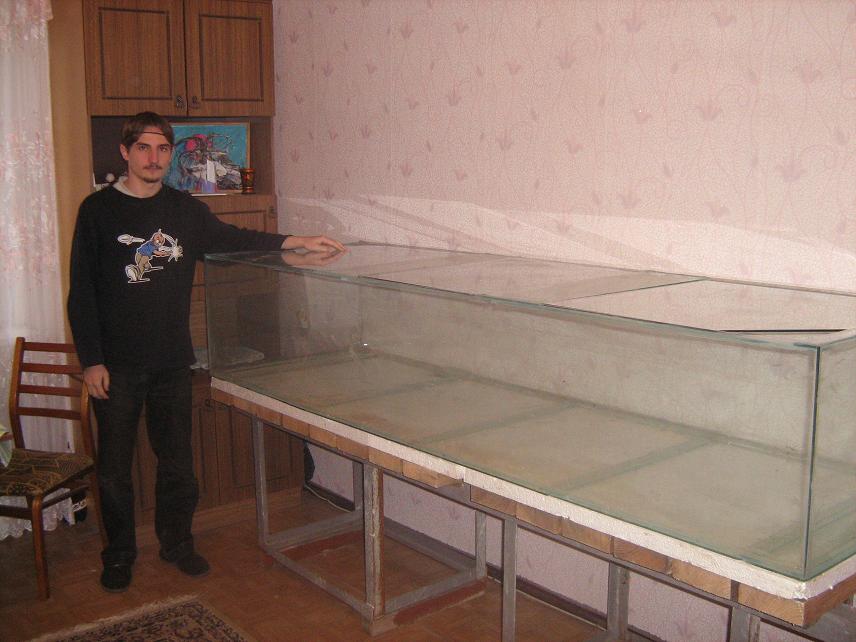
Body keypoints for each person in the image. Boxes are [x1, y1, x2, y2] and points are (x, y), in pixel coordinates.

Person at [67, 111, 346, 593]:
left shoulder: (185, 210)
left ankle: (177, 544)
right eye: (144, 148)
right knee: (113, 471)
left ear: (170, 154)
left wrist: (297, 242)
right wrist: (91, 360)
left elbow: (235, 240)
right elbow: (82, 292)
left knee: (177, 463)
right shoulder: (97, 211)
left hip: (173, 362)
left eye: (163, 149)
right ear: (126, 152)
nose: (154, 158)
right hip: (115, 366)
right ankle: (119, 555)